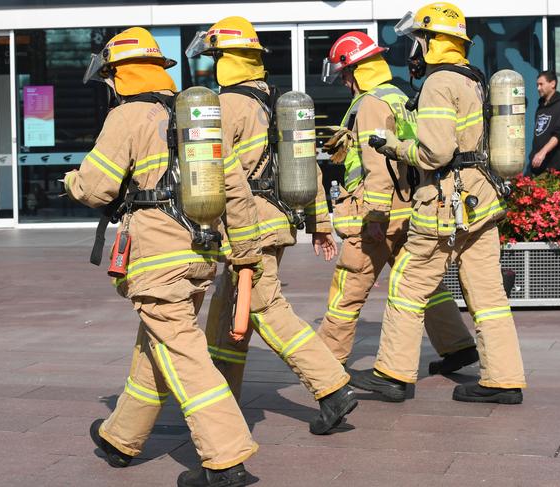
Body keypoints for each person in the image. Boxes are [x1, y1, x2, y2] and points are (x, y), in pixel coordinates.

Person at [64, 27, 261, 486]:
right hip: (198, 254)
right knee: (155, 347)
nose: (110, 85)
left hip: (156, 259)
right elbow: (235, 189)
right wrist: (246, 254)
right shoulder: (194, 117)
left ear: (121, 74)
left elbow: (97, 187)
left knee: (184, 355)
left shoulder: (128, 116)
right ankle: (120, 438)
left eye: (110, 76)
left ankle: (225, 459)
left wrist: (71, 181)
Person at [186, 16, 357, 434]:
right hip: (276, 217)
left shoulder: (225, 106)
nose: (210, 67)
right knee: (229, 317)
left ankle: (332, 386)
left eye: (214, 59)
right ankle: (223, 401)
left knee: (265, 308)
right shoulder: (273, 100)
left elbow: (208, 170)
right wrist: (319, 222)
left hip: (247, 226)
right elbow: (308, 166)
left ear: (226, 60)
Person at [365, 2, 527, 404]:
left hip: (444, 202)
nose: (413, 51)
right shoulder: (472, 79)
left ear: (432, 42)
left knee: (407, 283)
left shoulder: (439, 84)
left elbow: (435, 153)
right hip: (480, 198)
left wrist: (393, 146)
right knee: (488, 296)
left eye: (417, 41)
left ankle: (392, 375)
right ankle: (504, 379)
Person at [317, 31, 478, 393]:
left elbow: (376, 166)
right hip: (407, 211)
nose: (344, 81)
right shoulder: (399, 95)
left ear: (356, 70)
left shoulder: (371, 103)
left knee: (348, 288)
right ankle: (457, 346)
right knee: (425, 285)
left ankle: (325, 361)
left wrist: (374, 216)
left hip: (376, 216)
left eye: (345, 74)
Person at [530, 70, 560, 176]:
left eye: (541, 84)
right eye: (537, 85)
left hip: (556, 170)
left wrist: (542, 153)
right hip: (539, 168)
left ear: (552, 84)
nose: (538, 88)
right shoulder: (540, 108)